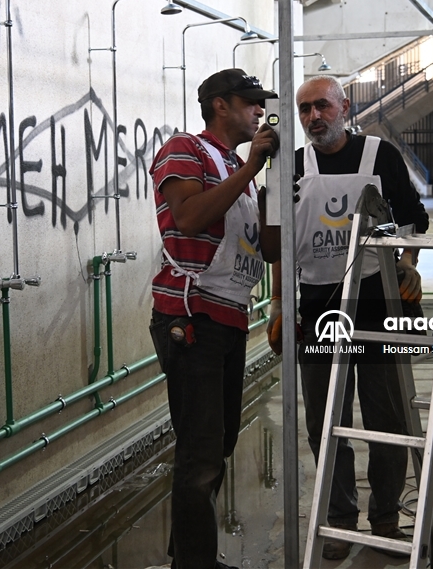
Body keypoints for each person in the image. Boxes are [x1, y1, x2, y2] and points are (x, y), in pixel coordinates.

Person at [268, 74, 429, 560]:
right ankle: (339, 519)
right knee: (324, 418)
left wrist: (407, 265)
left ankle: (386, 519)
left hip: (381, 303)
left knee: (388, 418)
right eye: (304, 110)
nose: (313, 117)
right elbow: (277, 244)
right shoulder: (293, 167)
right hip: (319, 306)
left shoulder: (380, 156)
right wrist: (279, 305)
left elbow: (414, 219)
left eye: (322, 106)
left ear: (344, 106)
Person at [148, 68, 280, 569]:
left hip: (228, 319)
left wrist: (274, 189)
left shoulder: (237, 171)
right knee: (201, 452)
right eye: (250, 103)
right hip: (191, 317)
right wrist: (249, 170)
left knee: (218, 444)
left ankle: (189, 554)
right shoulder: (186, 149)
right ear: (220, 106)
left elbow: (267, 250)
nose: (259, 112)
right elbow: (187, 218)